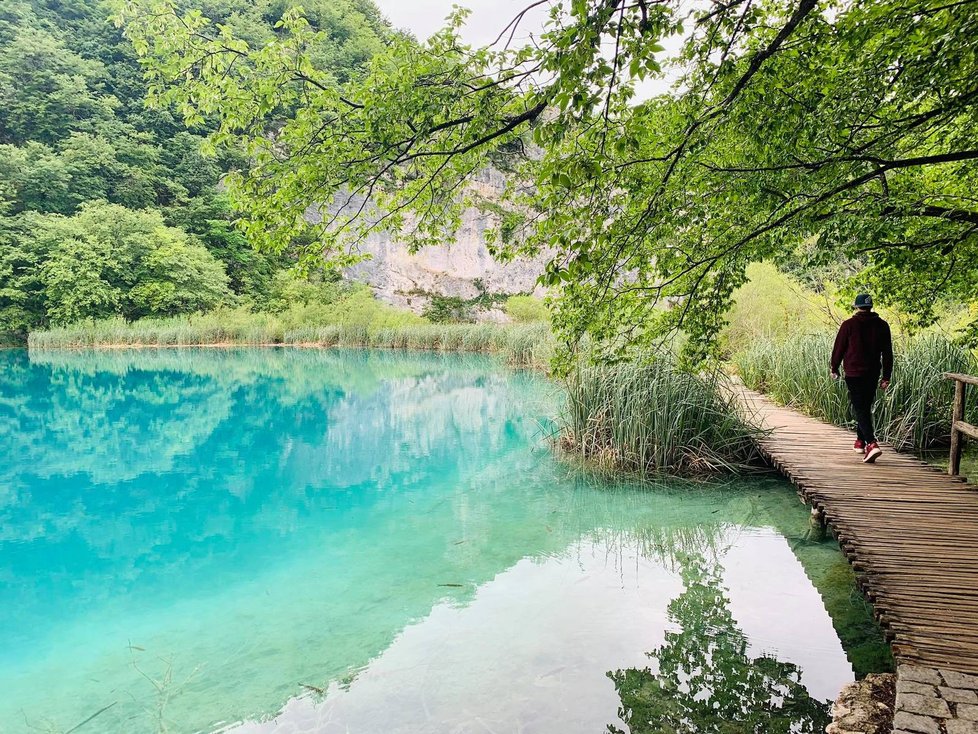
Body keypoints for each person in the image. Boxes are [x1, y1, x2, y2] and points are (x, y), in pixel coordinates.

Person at [830, 294, 893, 463]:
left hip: (854, 373)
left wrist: (834, 367)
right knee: (864, 406)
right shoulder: (882, 326)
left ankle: (872, 444)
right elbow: (888, 354)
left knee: (860, 408)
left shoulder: (848, 325)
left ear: (856, 307)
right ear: (871, 306)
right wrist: (887, 376)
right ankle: (860, 442)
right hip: (872, 373)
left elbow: (839, 348)